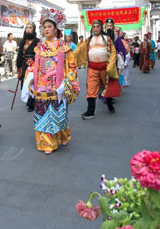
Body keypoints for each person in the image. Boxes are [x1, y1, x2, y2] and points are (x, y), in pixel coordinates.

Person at [21, 9, 79, 155]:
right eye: (44, 27)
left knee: (59, 113)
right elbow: (35, 65)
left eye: (49, 27)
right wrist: (30, 74)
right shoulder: (39, 46)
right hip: (42, 85)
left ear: (56, 29)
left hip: (57, 85)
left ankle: (63, 135)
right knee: (43, 114)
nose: (46, 29)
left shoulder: (63, 46)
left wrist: (67, 82)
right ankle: (47, 143)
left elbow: (72, 66)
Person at [73, 19, 120, 118]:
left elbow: (113, 52)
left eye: (97, 26)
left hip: (105, 68)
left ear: (101, 27)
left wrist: (111, 65)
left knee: (107, 88)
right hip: (92, 69)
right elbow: (79, 50)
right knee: (91, 89)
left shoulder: (107, 39)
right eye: (94, 27)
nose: (95, 28)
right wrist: (69, 55)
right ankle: (90, 112)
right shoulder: (89, 40)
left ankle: (110, 105)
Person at [17, 22, 40, 112]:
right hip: (24, 64)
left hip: (33, 64)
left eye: (30, 28)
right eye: (27, 28)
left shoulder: (37, 41)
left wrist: (34, 61)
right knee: (24, 83)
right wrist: (18, 66)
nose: (28, 29)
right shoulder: (23, 41)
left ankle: (32, 103)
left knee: (31, 82)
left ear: (33, 29)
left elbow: (39, 53)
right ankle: (28, 99)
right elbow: (19, 54)